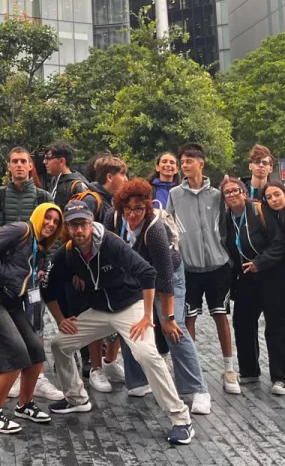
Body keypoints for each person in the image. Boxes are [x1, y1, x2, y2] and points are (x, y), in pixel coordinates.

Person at [45, 200, 194, 446]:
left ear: (91, 222)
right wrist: (61, 320)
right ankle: (76, 398)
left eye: (83, 224)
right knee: (59, 344)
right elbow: (48, 290)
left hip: (130, 307)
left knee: (146, 353)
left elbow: (147, 273)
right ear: (67, 228)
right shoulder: (67, 253)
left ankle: (181, 419)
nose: (79, 230)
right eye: (73, 225)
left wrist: (147, 316)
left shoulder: (110, 243)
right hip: (100, 311)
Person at [111, 178, 212, 415]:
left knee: (174, 328)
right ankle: (138, 380)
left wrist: (167, 317)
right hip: (135, 276)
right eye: (127, 208)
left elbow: (165, 278)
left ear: (147, 207)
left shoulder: (154, 230)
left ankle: (197, 389)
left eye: (138, 208)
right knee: (129, 320)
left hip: (167, 274)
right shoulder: (113, 219)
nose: (132, 214)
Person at [0, 203, 63, 434]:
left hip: (9, 299)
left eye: (56, 221)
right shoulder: (21, 229)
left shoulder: (39, 247)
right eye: (47, 217)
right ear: (38, 216)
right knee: (15, 353)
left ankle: (24, 404)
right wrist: (4, 275)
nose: (50, 223)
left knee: (35, 349)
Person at [167, 142, 239, 395]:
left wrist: (228, 258)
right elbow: (169, 227)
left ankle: (229, 369)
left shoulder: (217, 195)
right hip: (188, 267)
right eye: (182, 162)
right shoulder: (175, 194)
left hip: (218, 265)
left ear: (201, 163)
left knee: (221, 315)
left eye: (189, 161)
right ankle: (191, 370)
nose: (184, 166)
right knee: (189, 319)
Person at [223, 178, 285, 396]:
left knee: (277, 326)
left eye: (236, 190)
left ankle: (281, 377)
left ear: (244, 193)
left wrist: (260, 263)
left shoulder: (259, 211)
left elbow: (279, 243)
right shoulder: (226, 219)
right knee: (242, 322)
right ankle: (249, 370)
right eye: (227, 192)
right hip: (246, 277)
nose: (232, 194)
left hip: (273, 275)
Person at [83, 155, 131, 393]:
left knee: (118, 314)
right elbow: (81, 233)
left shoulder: (116, 200)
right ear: (110, 177)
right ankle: (96, 368)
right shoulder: (91, 199)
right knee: (97, 318)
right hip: (94, 269)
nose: (126, 179)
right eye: (122, 174)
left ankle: (110, 361)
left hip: (115, 268)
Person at [0, 147, 50, 228]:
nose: (19, 165)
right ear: (9, 166)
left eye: (23, 161)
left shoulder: (43, 197)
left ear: (30, 166)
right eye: (15, 161)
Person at [43, 140, 91, 206]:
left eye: (48, 158)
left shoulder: (77, 185)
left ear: (62, 161)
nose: (44, 162)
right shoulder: (54, 181)